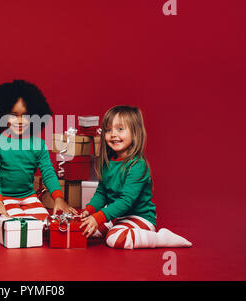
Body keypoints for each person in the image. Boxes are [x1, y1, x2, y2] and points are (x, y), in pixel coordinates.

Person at [79, 105, 192, 249]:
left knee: (114, 239)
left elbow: (126, 201)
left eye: (120, 129)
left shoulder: (137, 165)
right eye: (108, 130)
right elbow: (101, 193)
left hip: (141, 217)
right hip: (118, 217)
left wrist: (99, 217)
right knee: (85, 229)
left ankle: (160, 238)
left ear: (135, 133)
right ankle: (114, 226)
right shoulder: (107, 162)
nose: (113, 134)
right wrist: (89, 210)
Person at [0, 79, 77, 228]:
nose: (20, 121)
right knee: (15, 224)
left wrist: (58, 198)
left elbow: (48, 173)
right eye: (14, 114)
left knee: (42, 224)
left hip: (28, 196)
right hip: (4, 197)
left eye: (25, 115)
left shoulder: (38, 144)